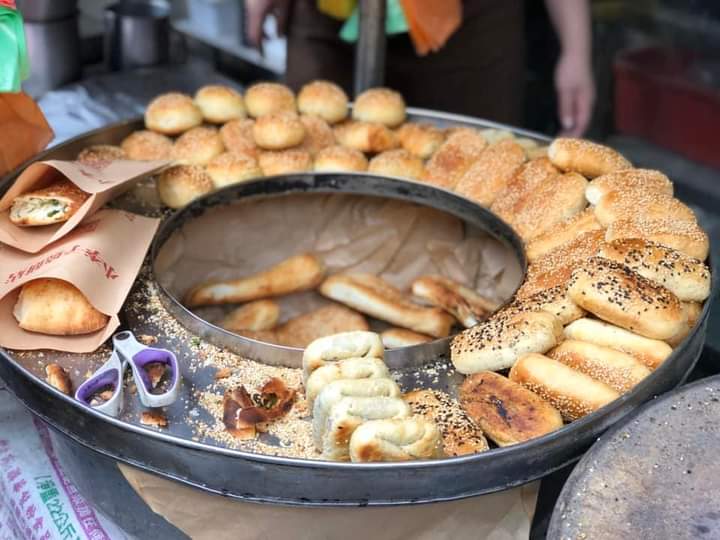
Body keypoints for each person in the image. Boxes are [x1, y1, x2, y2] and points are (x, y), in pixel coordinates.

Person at [245, 0, 595, 137]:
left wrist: (577, 50)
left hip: (467, 27)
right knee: (304, 153)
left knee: (470, 170)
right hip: (327, 15)